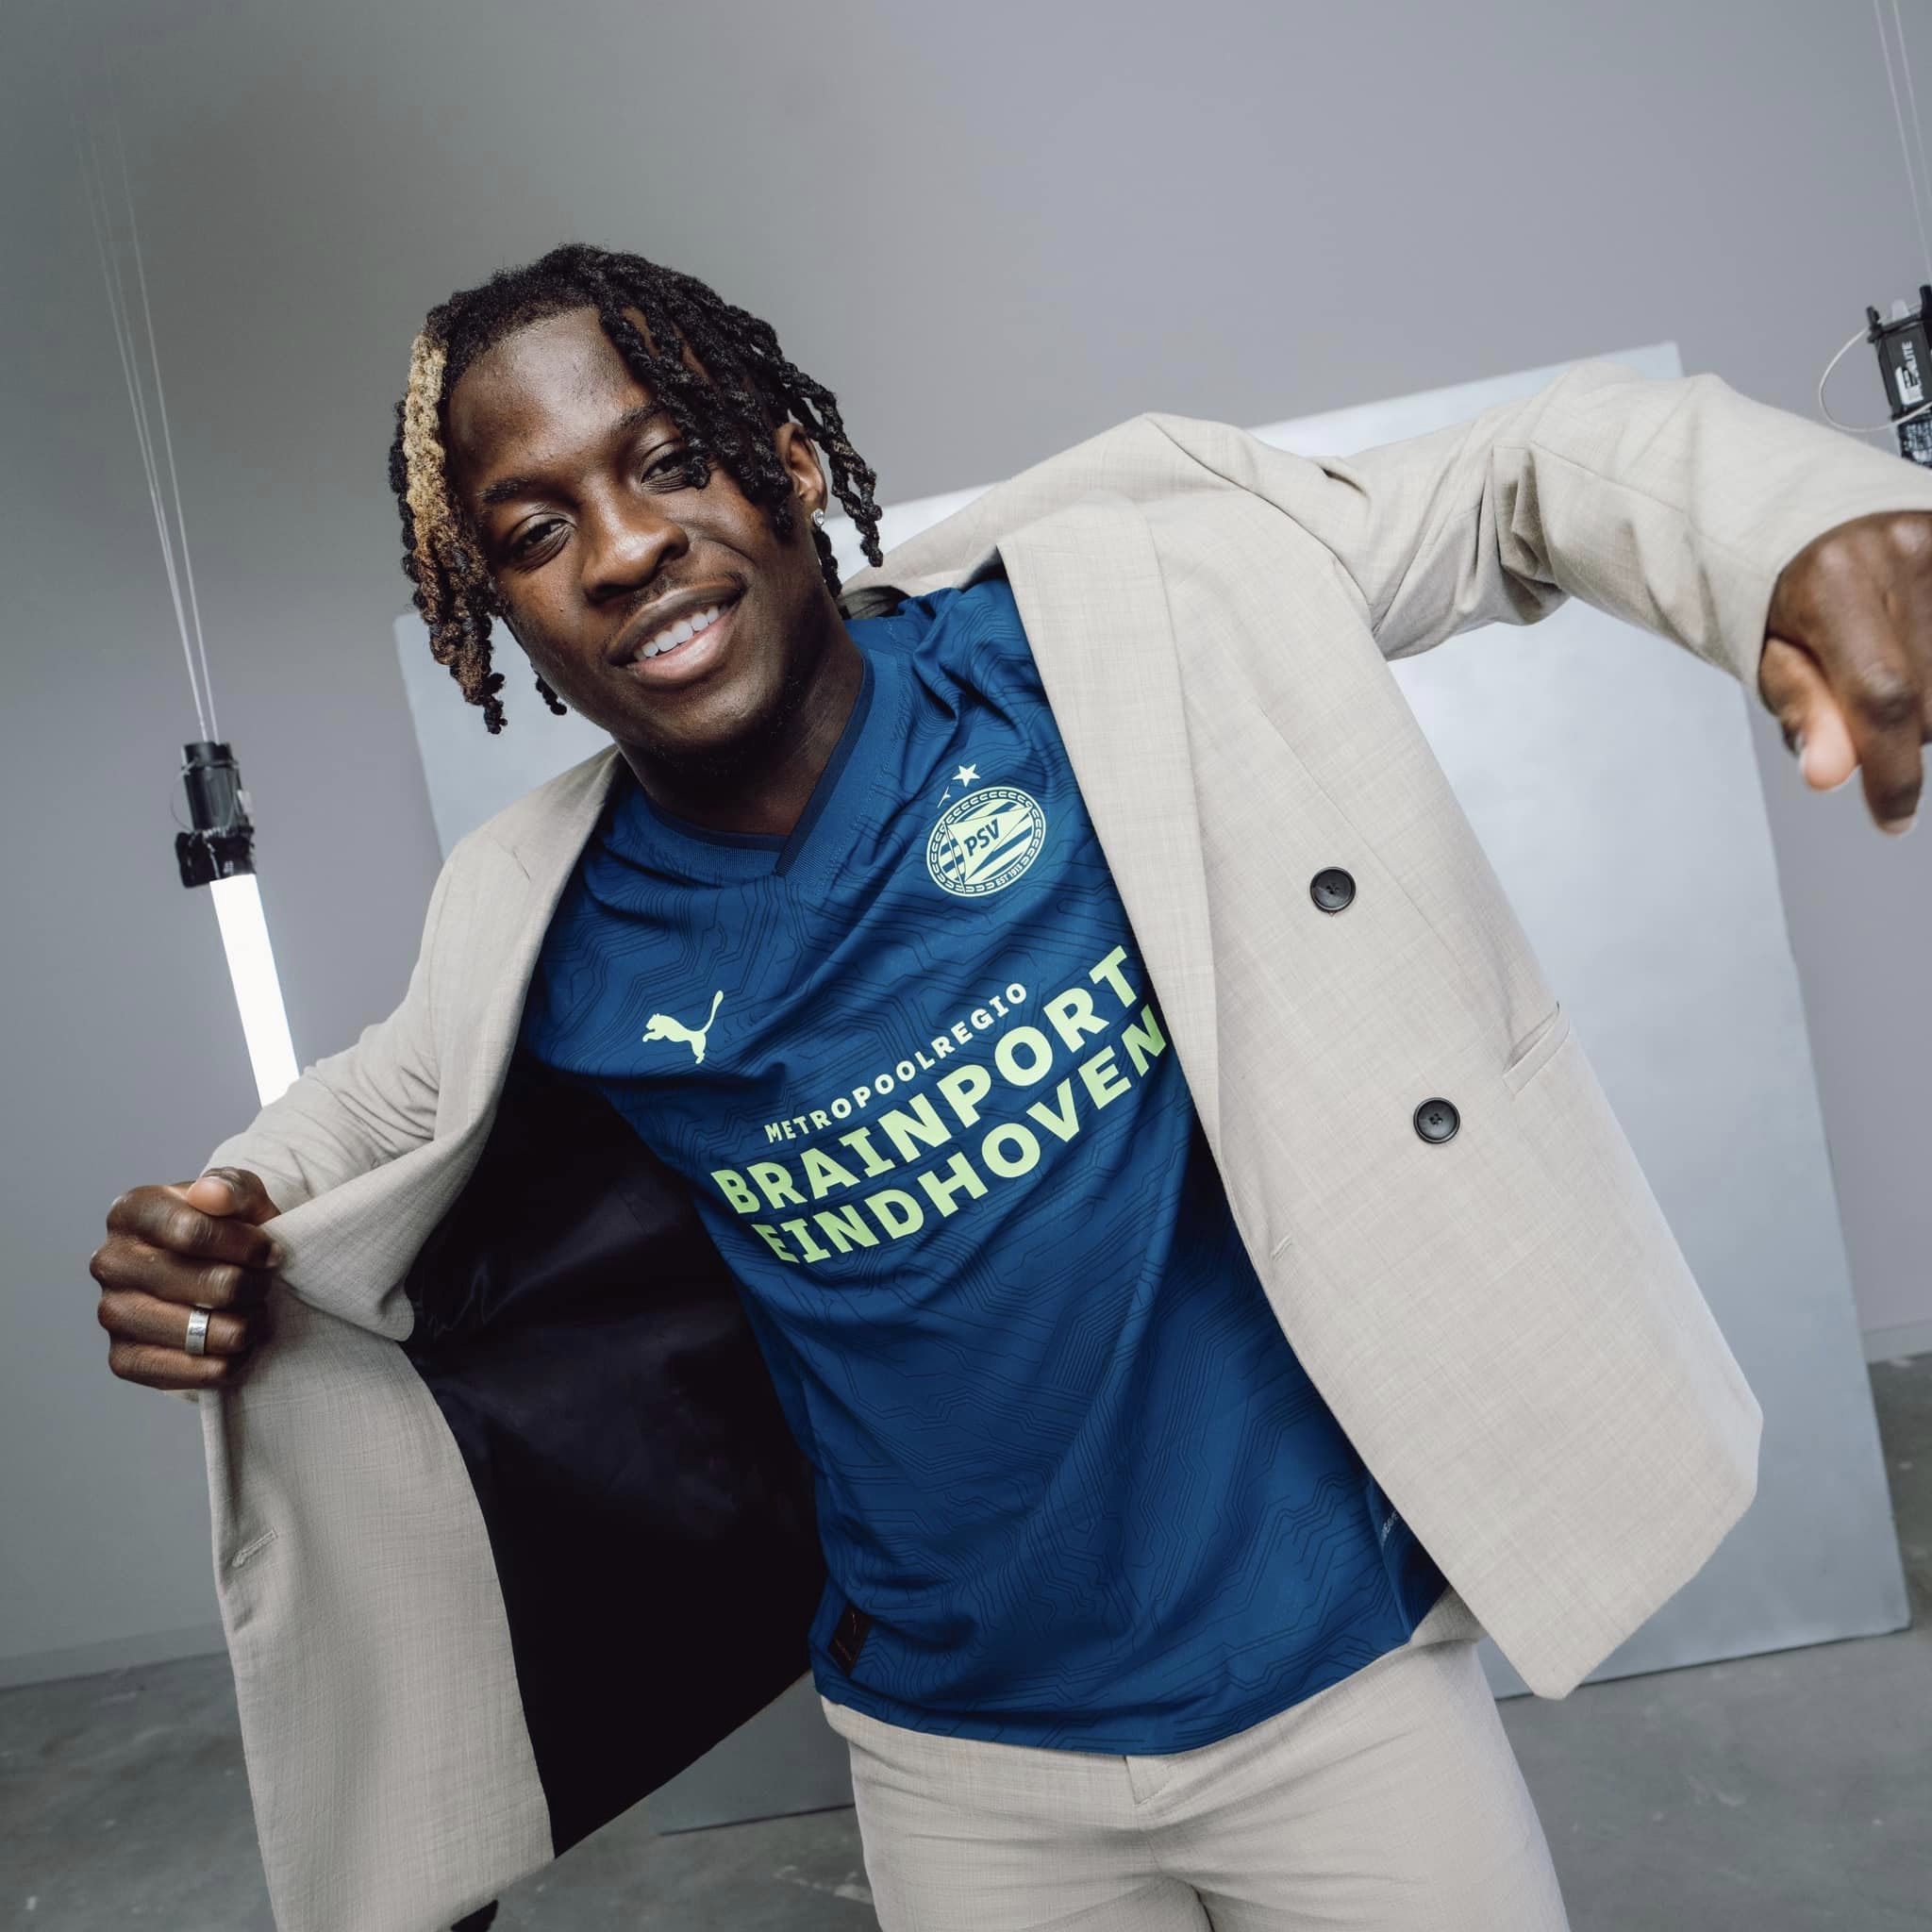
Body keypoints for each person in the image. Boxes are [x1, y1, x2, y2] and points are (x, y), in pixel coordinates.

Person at [90, 242, 1932, 1932]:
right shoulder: (546, 920)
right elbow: (377, 1106)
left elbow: (1516, 482)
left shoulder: (1092, 647)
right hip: (957, 1772)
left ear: (785, 464)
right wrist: (220, 1214)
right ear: (494, 611)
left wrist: (1790, 524)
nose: (625, 547)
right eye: (535, 526)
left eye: (671, 460)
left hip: (1339, 1685)